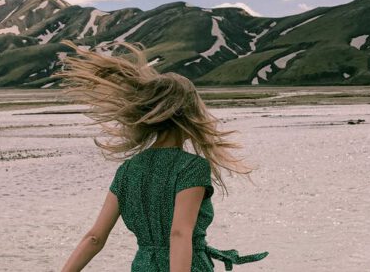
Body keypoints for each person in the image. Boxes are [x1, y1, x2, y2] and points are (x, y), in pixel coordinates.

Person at [57, 40, 268, 271]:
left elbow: (95, 238)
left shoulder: (128, 169)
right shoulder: (191, 167)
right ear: (189, 114)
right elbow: (179, 234)